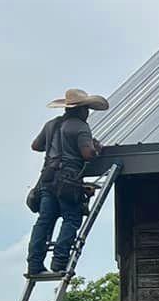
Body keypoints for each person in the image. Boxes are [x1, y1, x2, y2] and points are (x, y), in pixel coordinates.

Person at [29, 89, 108, 278]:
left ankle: (34, 264)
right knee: (71, 219)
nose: (88, 112)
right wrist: (95, 148)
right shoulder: (80, 127)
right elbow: (87, 154)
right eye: (87, 109)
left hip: (47, 178)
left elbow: (36, 146)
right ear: (81, 110)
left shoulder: (51, 125)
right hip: (69, 179)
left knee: (45, 220)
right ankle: (59, 262)